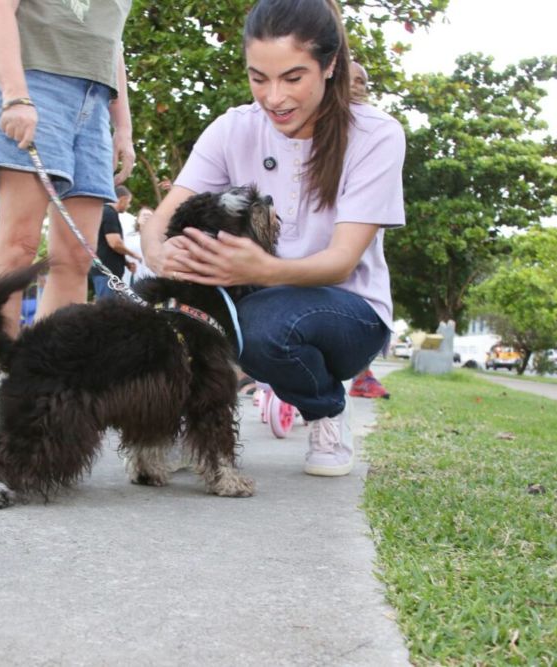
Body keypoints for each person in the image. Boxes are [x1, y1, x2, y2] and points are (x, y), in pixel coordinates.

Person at [142, 0, 405, 477]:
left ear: (329, 66)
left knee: (260, 324)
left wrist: (260, 270)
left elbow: (341, 262)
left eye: (292, 77)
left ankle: (326, 409)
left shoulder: (377, 135)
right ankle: (190, 424)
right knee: (182, 309)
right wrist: (162, 254)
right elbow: (162, 220)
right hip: (254, 300)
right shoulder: (232, 129)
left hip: (348, 313)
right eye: (258, 78)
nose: (273, 97)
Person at [0, 0, 135, 338]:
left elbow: (111, 42)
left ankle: (50, 381)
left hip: (95, 100)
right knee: (18, 245)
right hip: (35, 80)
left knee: (77, 258)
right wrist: (15, 96)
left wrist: (123, 126)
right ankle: (0, 379)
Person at [345, 59, 390, 400]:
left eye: (362, 80)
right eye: (351, 79)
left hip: (360, 223)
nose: (357, 85)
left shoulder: (377, 131)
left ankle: (362, 372)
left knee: (358, 284)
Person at [90, 185, 142, 299]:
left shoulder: (105, 212)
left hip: (108, 272)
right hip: (106, 273)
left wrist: (126, 262)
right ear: (122, 199)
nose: (129, 206)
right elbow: (114, 243)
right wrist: (134, 255)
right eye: (128, 202)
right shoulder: (109, 213)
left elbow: (106, 246)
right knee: (108, 310)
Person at [123, 205, 155, 285]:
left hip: (152, 275)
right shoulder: (129, 237)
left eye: (149, 215)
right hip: (132, 275)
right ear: (138, 219)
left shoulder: (157, 239)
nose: (146, 217)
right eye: (144, 215)